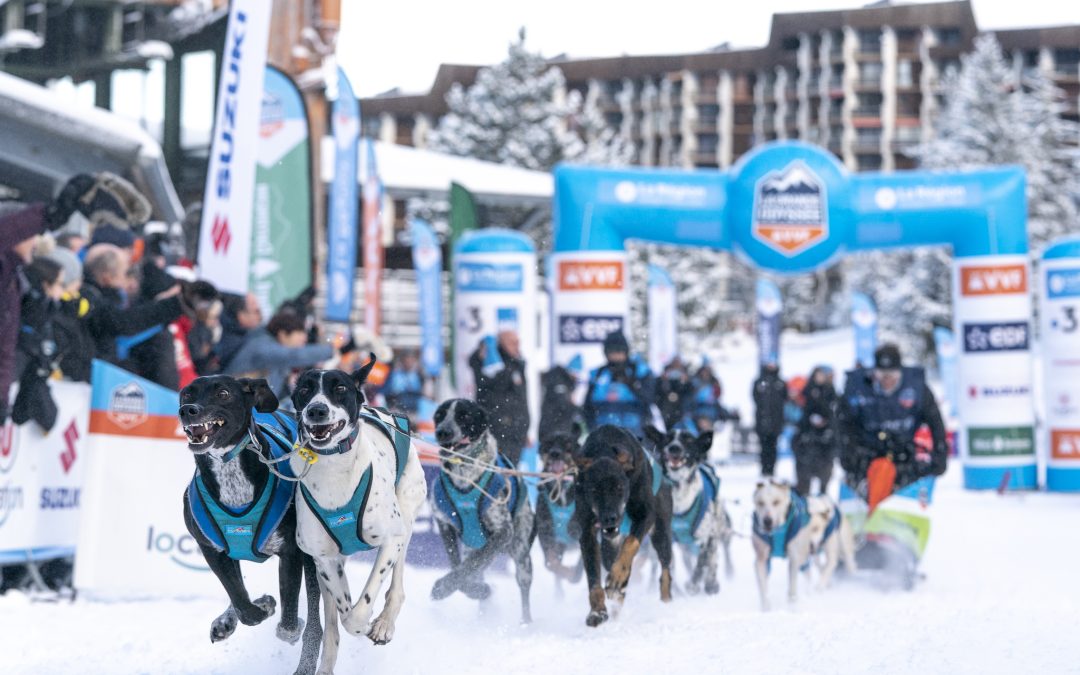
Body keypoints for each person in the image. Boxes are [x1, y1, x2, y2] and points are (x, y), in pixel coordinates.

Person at [1, 173, 145, 423]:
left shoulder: (15, 281)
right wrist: (52, 214)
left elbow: (5, 348)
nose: (37, 241)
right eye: (31, 235)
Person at [837, 343, 948, 503]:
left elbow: (936, 422)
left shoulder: (916, 388)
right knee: (870, 478)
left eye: (892, 375)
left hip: (904, 453)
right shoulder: (857, 389)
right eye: (882, 375)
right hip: (866, 453)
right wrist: (848, 454)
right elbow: (844, 423)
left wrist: (940, 453)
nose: (887, 380)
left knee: (907, 480)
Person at [224, 309, 341, 402]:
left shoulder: (275, 355)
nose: (304, 338)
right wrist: (330, 351)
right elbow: (294, 356)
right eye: (300, 333)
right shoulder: (262, 347)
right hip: (227, 400)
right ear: (283, 334)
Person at [468, 330, 530, 465]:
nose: (517, 346)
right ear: (501, 343)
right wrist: (484, 351)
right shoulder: (490, 361)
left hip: (516, 430)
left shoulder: (517, 364)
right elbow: (485, 381)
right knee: (496, 471)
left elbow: (522, 401)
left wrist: (525, 428)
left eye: (518, 342)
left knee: (511, 471)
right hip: (498, 429)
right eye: (513, 343)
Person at [583, 330, 656, 440]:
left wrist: (630, 383)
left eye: (619, 351)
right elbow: (587, 406)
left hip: (636, 434)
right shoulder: (598, 374)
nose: (615, 356)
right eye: (612, 352)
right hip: (603, 434)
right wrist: (592, 430)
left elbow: (649, 398)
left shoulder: (640, 372)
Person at [792, 366, 838, 496]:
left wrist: (825, 422)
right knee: (803, 482)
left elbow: (832, 412)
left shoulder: (830, 391)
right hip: (807, 440)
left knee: (824, 478)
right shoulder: (807, 390)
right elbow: (803, 411)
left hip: (825, 441)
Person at [752, 361, 787, 477]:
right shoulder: (759, 382)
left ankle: (771, 470)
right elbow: (755, 398)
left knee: (773, 447)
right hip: (762, 421)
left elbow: (785, 399)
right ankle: (764, 469)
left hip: (776, 422)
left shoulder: (780, 383)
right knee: (763, 447)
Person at [689, 363, 739, 433]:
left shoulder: (715, 404)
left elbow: (722, 410)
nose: (705, 374)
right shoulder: (695, 383)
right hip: (699, 411)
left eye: (707, 372)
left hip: (710, 412)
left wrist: (733, 415)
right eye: (704, 372)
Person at [656, 357, 694, 431]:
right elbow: (658, 390)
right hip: (666, 408)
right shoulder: (664, 377)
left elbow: (690, 392)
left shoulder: (687, 378)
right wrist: (663, 380)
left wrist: (684, 382)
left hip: (681, 408)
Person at [384, 350, 424, 418]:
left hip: (414, 410)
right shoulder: (395, 375)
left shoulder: (418, 375)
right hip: (398, 409)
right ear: (402, 361)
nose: (408, 362)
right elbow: (388, 392)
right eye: (406, 359)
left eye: (411, 360)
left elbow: (424, 393)